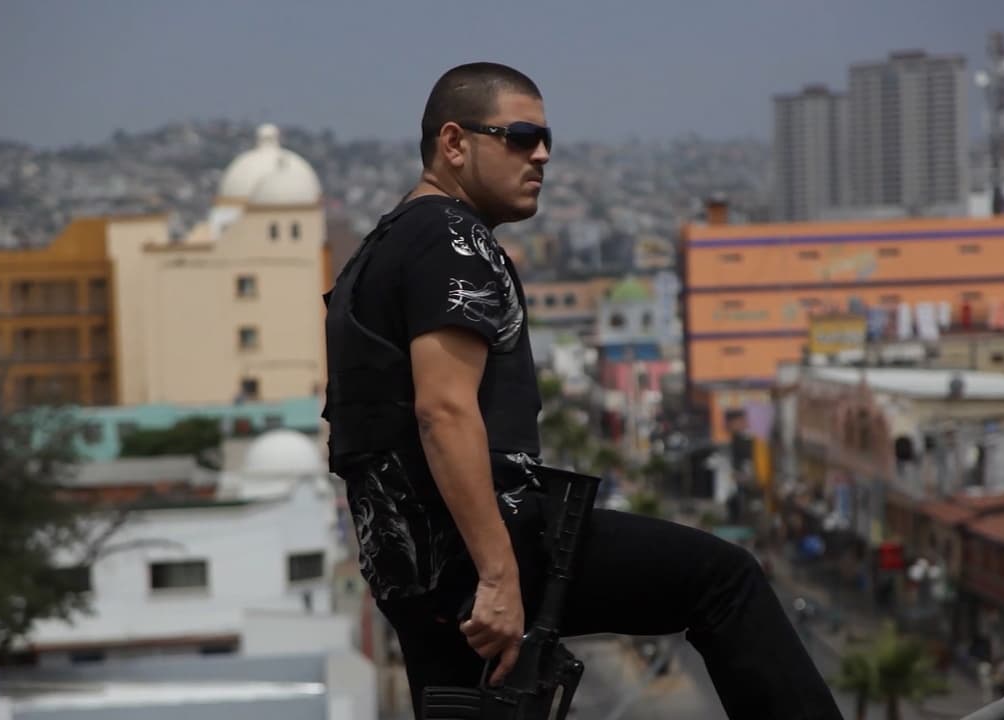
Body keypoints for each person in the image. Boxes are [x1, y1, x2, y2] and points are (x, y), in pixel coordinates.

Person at [323, 62, 842, 719]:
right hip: (482, 549)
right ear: (453, 143)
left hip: (407, 566)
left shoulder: (375, 251)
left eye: (547, 139)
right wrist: (499, 575)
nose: (541, 154)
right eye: (519, 136)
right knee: (724, 581)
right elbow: (444, 410)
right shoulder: (449, 237)